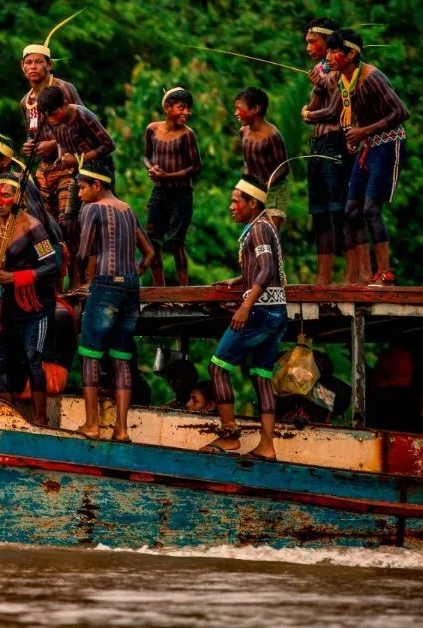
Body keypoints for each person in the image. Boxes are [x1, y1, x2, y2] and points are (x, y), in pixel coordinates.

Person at [202, 176, 289, 461]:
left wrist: (246, 306)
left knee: (217, 368)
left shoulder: (259, 230)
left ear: (253, 203)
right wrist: (239, 278)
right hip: (277, 312)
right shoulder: (265, 227)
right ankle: (267, 445)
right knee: (261, 376)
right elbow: (262, 269)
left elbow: (265, 271)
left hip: (260, 311)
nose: (231, 207)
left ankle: (229, 436)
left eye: (236, 201)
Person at [71, 158, 155, 442]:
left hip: (105, 284)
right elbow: (150, 253)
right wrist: (134, 274)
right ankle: (121, 429)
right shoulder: (128, 210)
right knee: (121, 357)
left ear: (97, 185)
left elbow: (83, 253)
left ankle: (92, 424)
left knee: (90, 354)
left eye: (82, 187)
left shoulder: (92, 208)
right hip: (131, 287)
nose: (79, 194)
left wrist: (84, 281)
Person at [326, 28, 410, 286]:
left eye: (333, 51)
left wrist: (364, 131)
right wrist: (355, 137)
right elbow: (350, 115)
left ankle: (385, 273)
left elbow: (400, 112)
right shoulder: (344, 80)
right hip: (368, 147)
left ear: (351, 54)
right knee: (352, 210)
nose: (327, 56)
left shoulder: (372, 78)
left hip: (388, 143)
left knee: (371, 208)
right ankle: (364, 275)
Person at [0, 173, 61, 418]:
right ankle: (8, 417)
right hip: (6, 304)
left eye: (6, 195)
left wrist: (15, 278)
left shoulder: (33, 227)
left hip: (35, 306)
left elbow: (52, 267)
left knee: (33, 357)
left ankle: (41, 418)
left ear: (18, 198)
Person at [37, 86, 116, 290]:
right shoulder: (53, 119)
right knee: (68, 223)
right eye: (49, 117)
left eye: (55, 114)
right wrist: (63, 159)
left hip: (98, 176)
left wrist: (79, 159)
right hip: (76, 176)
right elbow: (63, 144)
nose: (52, 120)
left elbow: (108, 145)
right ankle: (76, 277)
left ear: (65, 105)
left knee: (92, 222)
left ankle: (93, 279)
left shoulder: (82, 116)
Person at [302, 18, 354, 284]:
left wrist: (311, 113)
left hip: (335, 142)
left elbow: (334, 110)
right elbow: (313, 105)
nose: (309, 47)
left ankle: (351, 275)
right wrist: (317, 87)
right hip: (318, 144)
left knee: (338, 209)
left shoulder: (343, 70)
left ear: (329, 42)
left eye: (313, 42)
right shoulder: (320, 70)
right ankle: (323, 278)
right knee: (319, 211)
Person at [19, 13, 84, 226]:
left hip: (69, 165)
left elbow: (83, 126)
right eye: (28, 62)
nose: (33, 67)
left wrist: (54, 144)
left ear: (49, 65)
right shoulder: (25, 101)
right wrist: (32, 146)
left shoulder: (64, 89)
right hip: (44, 170)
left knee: (69, 220)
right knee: (46, 222)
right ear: (22, 67)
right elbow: (32, 132)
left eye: (39, 62)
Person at [143, 87, 202, 287]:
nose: (187, 112)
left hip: (182, 194)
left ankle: (184, 289)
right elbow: (146, 156)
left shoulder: (187, 134)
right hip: (159, 192)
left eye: (188, 109)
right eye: (182, 108)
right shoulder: (152, 129)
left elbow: (196, 167)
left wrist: (168, 176)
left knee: (176, 241)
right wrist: (151, 169)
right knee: (152, 241)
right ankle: (160, 288)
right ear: (167, 108)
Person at [234, 87, 289, 229]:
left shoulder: (272, 134)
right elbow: (247, 162)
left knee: (270, 232)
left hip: (274, 190)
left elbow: (283, 168)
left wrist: (266, 184)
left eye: (240, 109)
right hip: (253, 190)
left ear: (256, 109)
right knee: (252, 232)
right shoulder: (243, 132)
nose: (236, 113)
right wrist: (245, 185)